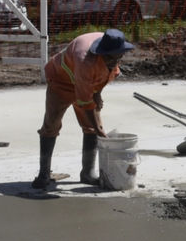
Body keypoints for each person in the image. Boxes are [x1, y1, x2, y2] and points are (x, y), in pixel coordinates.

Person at [35, 27, 135, 190]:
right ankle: (43, 175)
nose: (115, 62)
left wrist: (97, 93)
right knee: (51, 126)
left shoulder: (113, 50)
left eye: (118, 58)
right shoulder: (85, 61)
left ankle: (87, 173)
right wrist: (97, 129)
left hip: (87, 84)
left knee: (92, 127)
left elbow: (104, 77)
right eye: (111, 59)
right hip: (61, 82)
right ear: (102, 53)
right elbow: (85, 101)